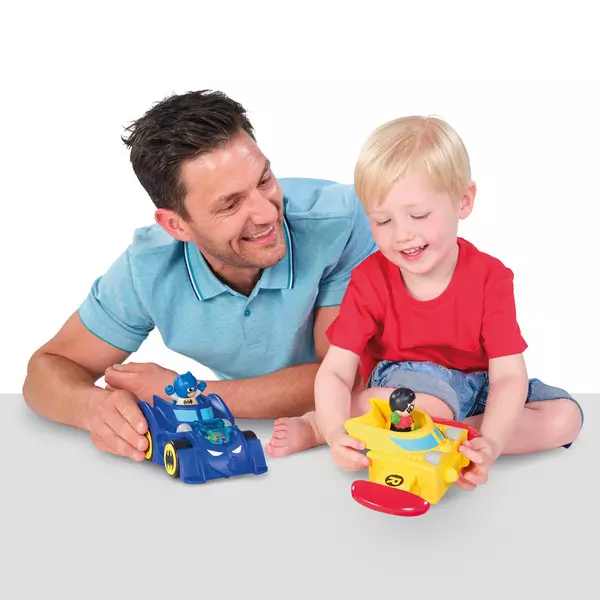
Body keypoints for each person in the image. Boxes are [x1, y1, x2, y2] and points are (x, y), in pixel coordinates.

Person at [22, 90, 375, 463]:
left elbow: (344, 378)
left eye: (264, 180)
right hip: (271, 449)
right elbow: (48, 368)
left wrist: (189, 395)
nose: (267, 213)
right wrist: (94, 410)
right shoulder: (147, 268)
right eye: (231, 204)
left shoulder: (342, 224)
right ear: (176, 226)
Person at [267, 115, 583, 492]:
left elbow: (508, 377)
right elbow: (336, 371)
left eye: (418, 215)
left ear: (463, 201)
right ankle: (321, 425)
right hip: (409, 388)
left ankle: (447, 440)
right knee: (424, 405)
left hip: (478, 388)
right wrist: (335, 432)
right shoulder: (370, 279)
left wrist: (492, 443)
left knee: (565, 418)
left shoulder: (492, 278)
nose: (402, 234)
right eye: (382, 221)